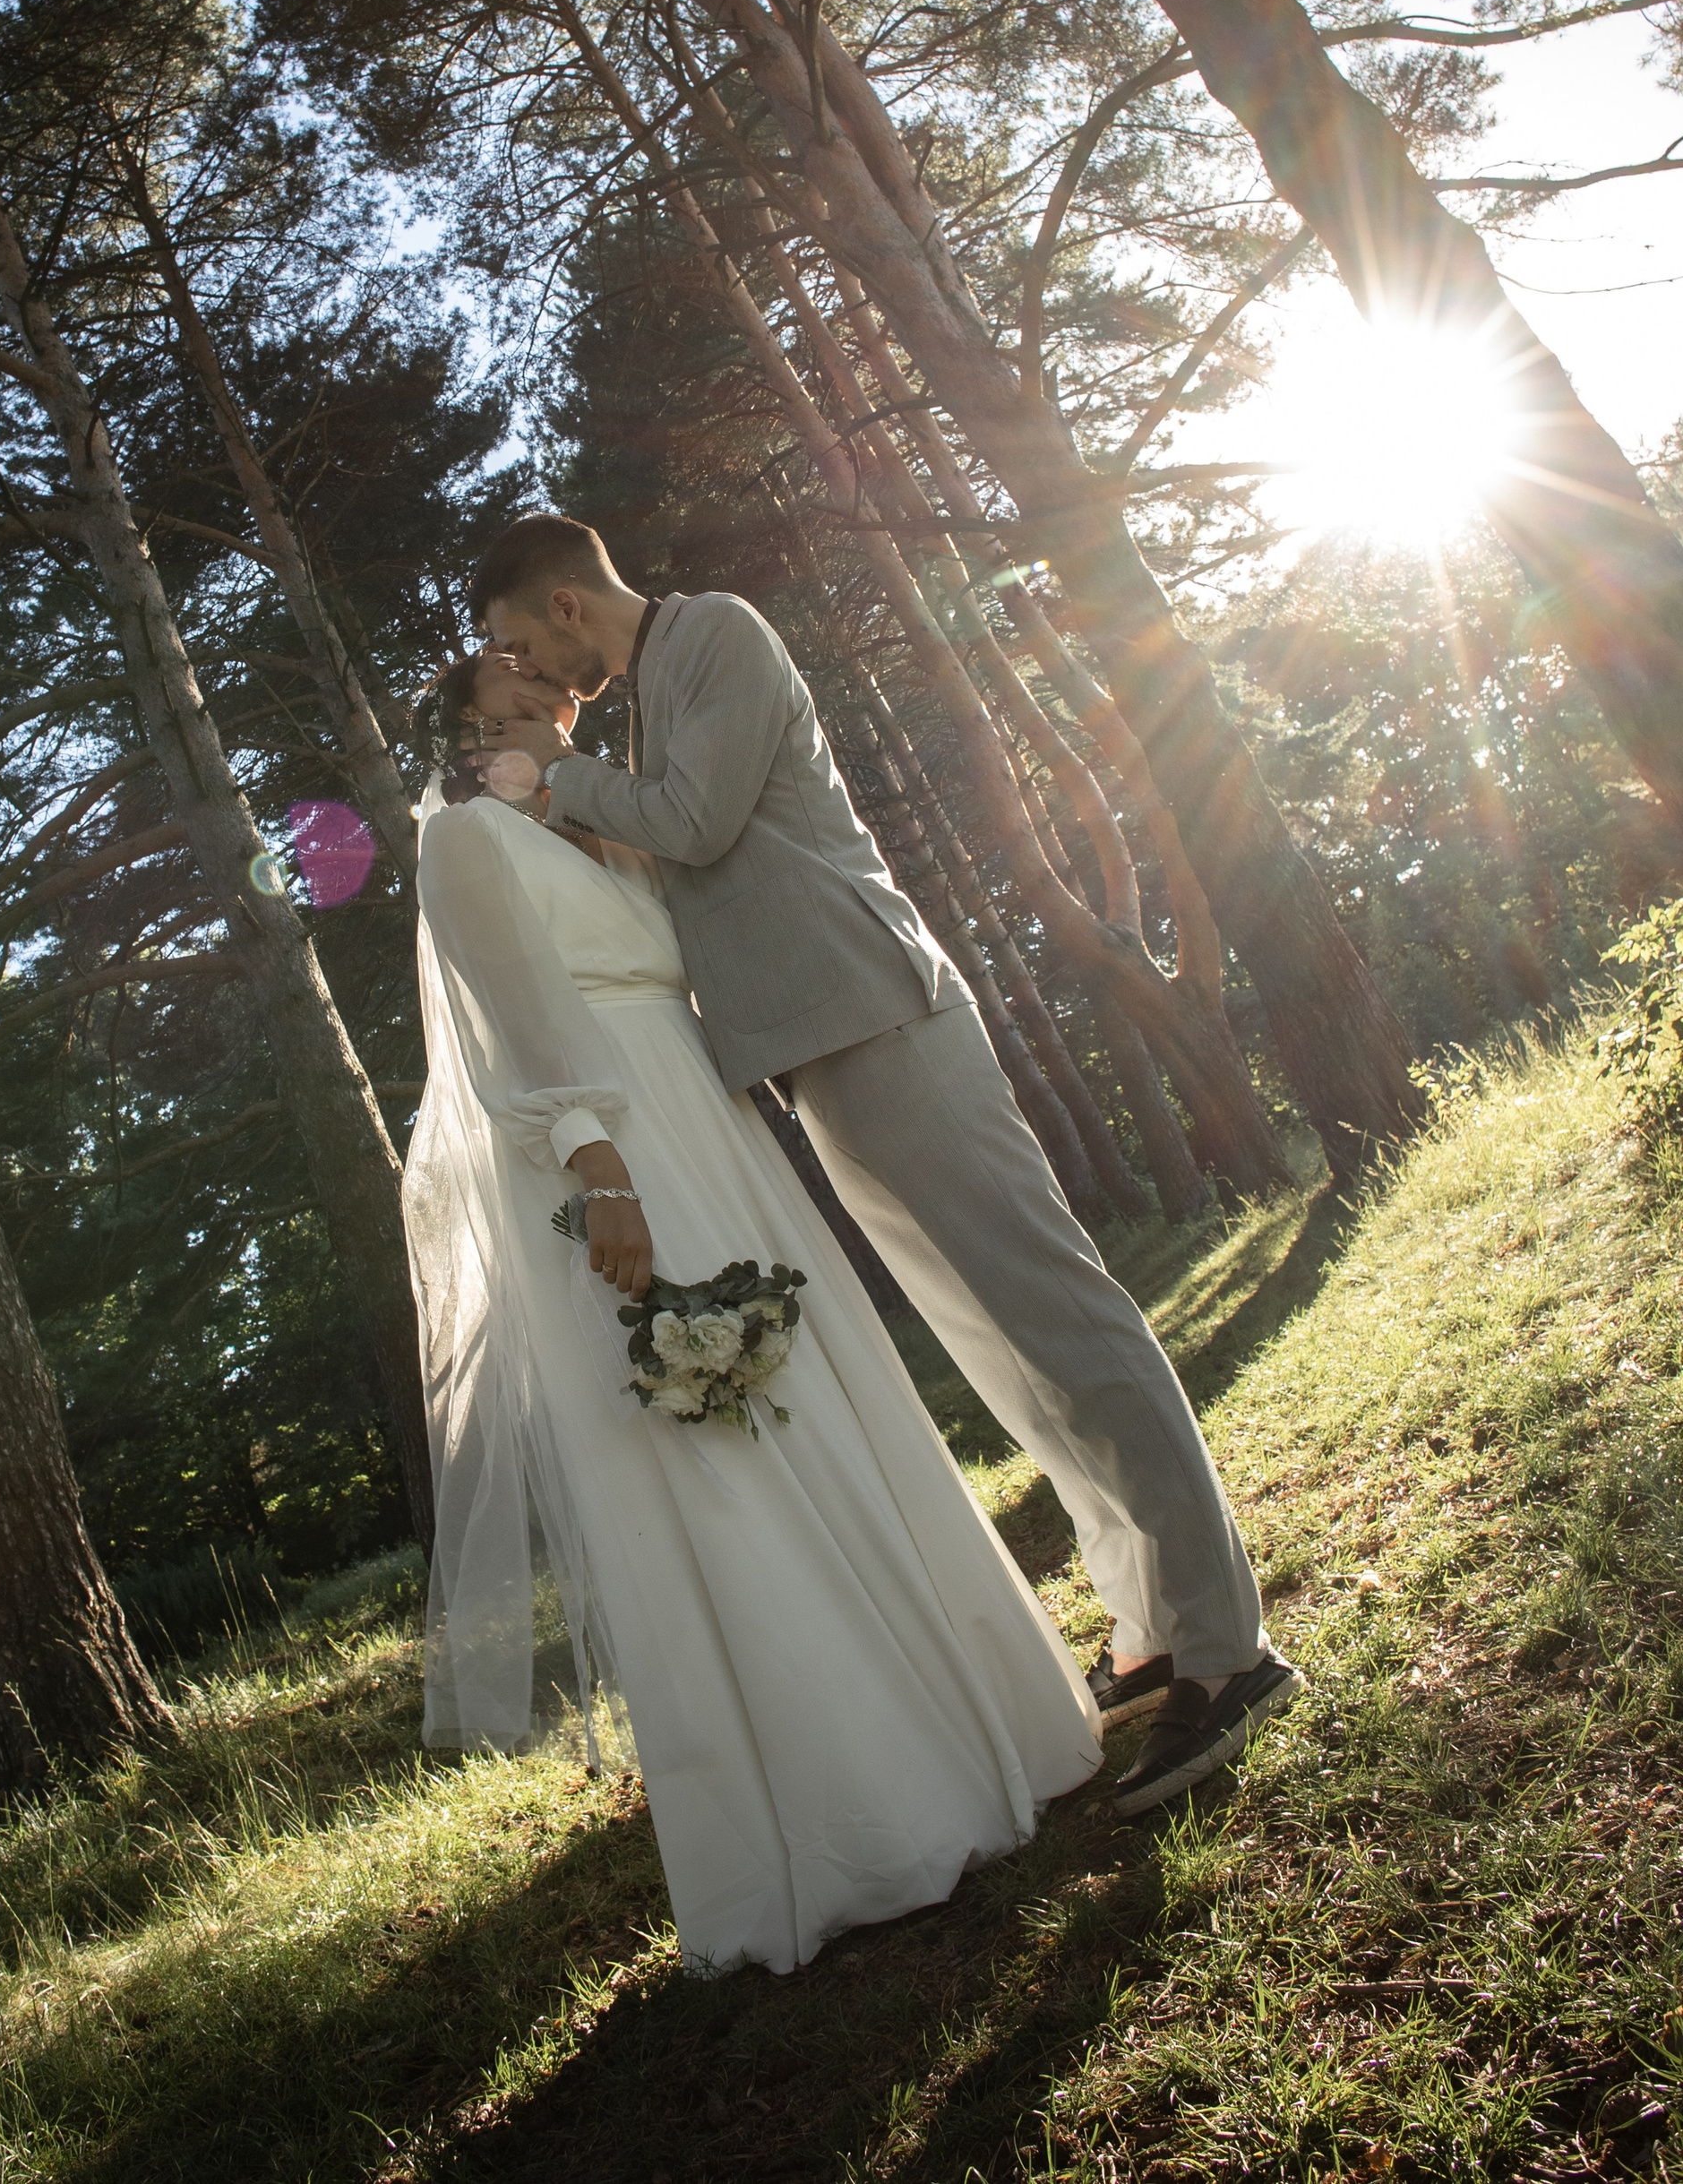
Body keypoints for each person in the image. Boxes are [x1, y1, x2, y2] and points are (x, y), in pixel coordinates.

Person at [468, 512, 1300, 1821]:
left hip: (880, 1014)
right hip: (811, 1056)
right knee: (1002, 1351)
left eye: (522, 640)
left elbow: (692, 821)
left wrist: (557, 773)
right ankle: (1150, 1628)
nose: (524, 671)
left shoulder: (718, 634)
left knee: (1061, 1313)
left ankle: (1228, 1650)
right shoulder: (638, 709)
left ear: (567, 605)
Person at [404, 644, 1103, 1978]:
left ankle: (977, 1721)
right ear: (459, 742)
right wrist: (600, 1174)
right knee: (717, 1443)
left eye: (532, 709)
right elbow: (514, 1026)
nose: (515, 734)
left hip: (717, 1125)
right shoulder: (464, 841)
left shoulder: (612, 827)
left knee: (817, 1392)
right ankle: (850, 1801)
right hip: (621, 1152)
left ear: (568, 713)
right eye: (486, 720)